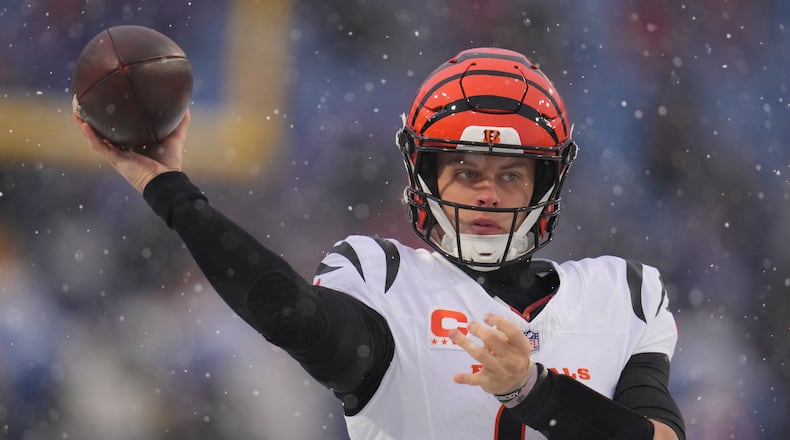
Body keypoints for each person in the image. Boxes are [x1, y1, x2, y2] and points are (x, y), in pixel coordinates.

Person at [74, 47, 685, 440]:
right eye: (466, 171)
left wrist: (533, 390)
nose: (487, 194)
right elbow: (289, 315)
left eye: (510, 175)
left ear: (545, 184)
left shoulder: (623, 294)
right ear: (426, 176)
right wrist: (172, 191)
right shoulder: (385, 278)